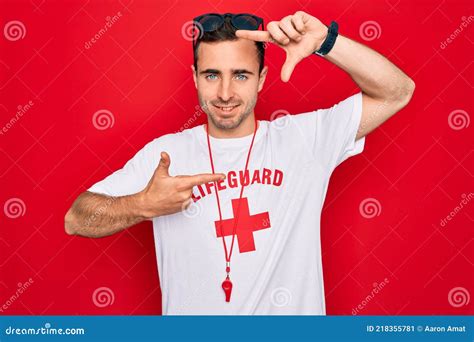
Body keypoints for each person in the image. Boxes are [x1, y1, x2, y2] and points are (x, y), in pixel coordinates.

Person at [65, 11, 415, 315]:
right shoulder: (166, 154)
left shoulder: (305, 139)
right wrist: (142, 204)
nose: (225, 93)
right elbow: (76, 218)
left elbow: (397, 91)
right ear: (195, 77)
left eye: (242, 75)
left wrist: (325, 40)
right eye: (212, 75)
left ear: (262, 78)